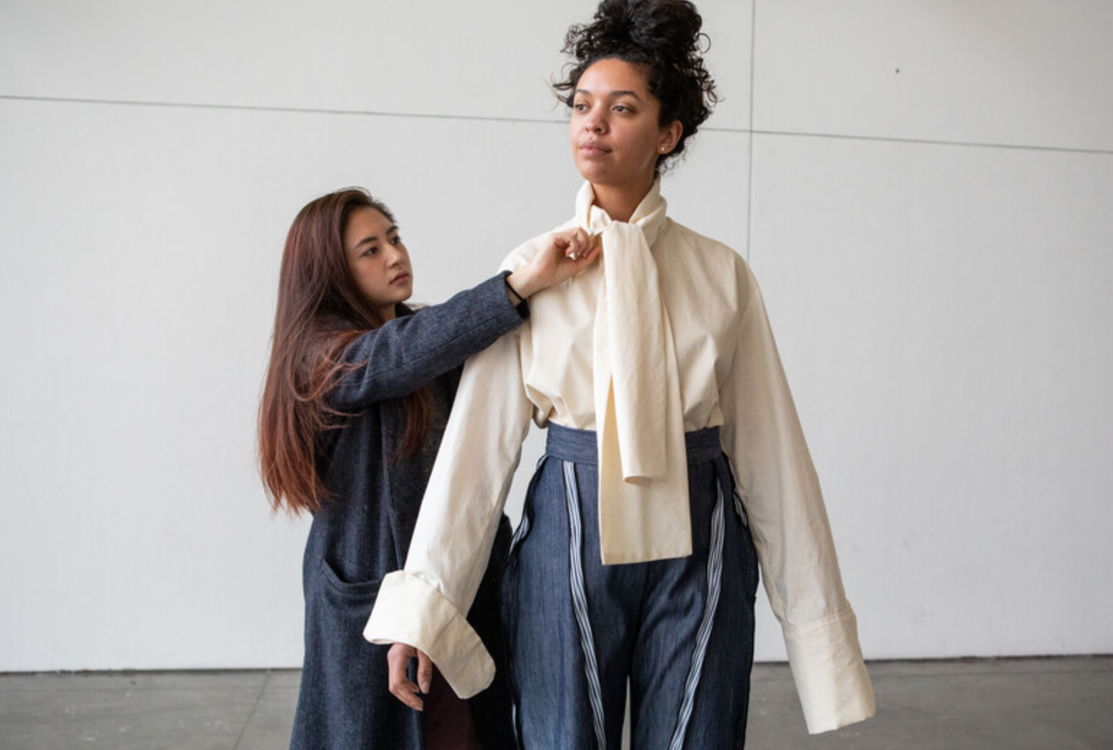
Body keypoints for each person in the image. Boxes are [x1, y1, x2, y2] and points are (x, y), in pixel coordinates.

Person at [365, 0, 877, 747]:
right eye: (581, 105)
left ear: (667, 133)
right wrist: (424, 606)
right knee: (561, 736)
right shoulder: (533, 268)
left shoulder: (720, 273)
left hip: (702, 540)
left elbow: (772, 457)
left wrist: (817, 626)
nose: (592, 122)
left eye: (622, 108)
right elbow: (478, 451)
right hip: (568, 529)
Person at [258, 187, 599, 750]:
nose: (395, 255)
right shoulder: (321, 357)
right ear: (330, 274)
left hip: (453, 580)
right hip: (368, 588)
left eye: (393, 238)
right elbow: (397, 354)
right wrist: (518, 284)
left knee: (463, 728)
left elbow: (437, 341)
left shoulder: (425, 333)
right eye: (369, 250)